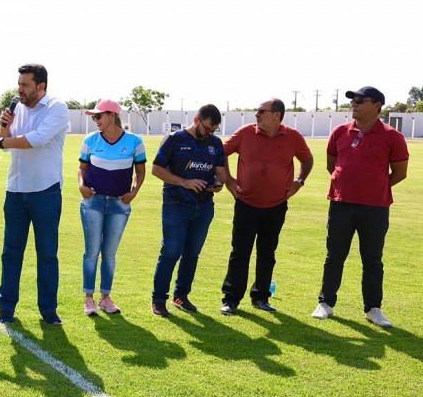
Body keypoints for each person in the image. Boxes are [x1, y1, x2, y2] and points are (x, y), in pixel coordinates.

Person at [0, 64, 69, 325]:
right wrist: (4, 129)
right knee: (11, 252)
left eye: (25, 85)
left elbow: (37, 139)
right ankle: (6, 308)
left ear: (41, 86)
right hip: (16, 190)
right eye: (19, 84)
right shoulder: (17, 107)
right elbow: (7, 145)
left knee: (47, 254)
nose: (20, 89)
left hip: (46, 190)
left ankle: (48, 310)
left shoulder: (56, 108)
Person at [312, 86, 409, 327]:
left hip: (375, 208)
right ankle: (326, 303)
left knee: (373, 260)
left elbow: (399, 173)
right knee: (334, 256)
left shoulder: (392, 136)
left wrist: (374, 186)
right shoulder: (340, 132)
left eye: (359, 101)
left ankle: (373, 309)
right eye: (352, 101)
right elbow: (332, 165)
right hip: (341, 204)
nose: (353, 104)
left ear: (376, 105)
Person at [219, 98, 314, 315]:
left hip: (276, 206)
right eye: (257, 111)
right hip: (246, 204)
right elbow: (220, 153)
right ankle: (231, 299)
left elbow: (307, 160)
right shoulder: (245, 133)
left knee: (267, 253)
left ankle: (261, 297)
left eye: (262, 111)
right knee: (240, 252)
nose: (257, 114)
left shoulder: (293, 137)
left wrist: (299, 182)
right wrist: (228, 179)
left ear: (277, 115)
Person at [150, 104, 234, 316]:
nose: (210, 133)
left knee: (192, 253)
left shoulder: (215, 143)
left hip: (204, 206)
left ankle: (181, 295)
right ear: (197, 120)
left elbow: (221, 173)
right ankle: (159, 299)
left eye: (214, 130)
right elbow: (156, 169)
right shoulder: (175, 139)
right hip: (176, 204)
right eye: (207, 128)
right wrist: (183, 182)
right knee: (170, 251)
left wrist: (217, 183)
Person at [75, 100, 146, 316]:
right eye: (94, 117)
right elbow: (82, 168)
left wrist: (133, 192)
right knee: (92, 252)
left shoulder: (135, 141)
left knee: (110, 254)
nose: (95, 120)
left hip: (119, 204)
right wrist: (81, 186)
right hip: (93, 202)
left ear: (112, 116)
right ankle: (89, 299)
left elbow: (140, 171)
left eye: (99, 116)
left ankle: (105, 298)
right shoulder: (90, 140)